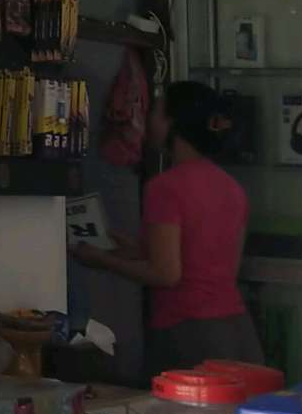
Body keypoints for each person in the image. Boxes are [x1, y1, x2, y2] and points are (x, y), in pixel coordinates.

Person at [72, 80, 260, 375]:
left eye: (156, 112)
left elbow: (166, 274)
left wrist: (100, 259)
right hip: (238, 330)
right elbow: (212, 265)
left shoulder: (165, 188)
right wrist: (133, 249)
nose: (148, 121)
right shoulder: (232, 187)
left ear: (173, 123)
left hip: (189, 333)